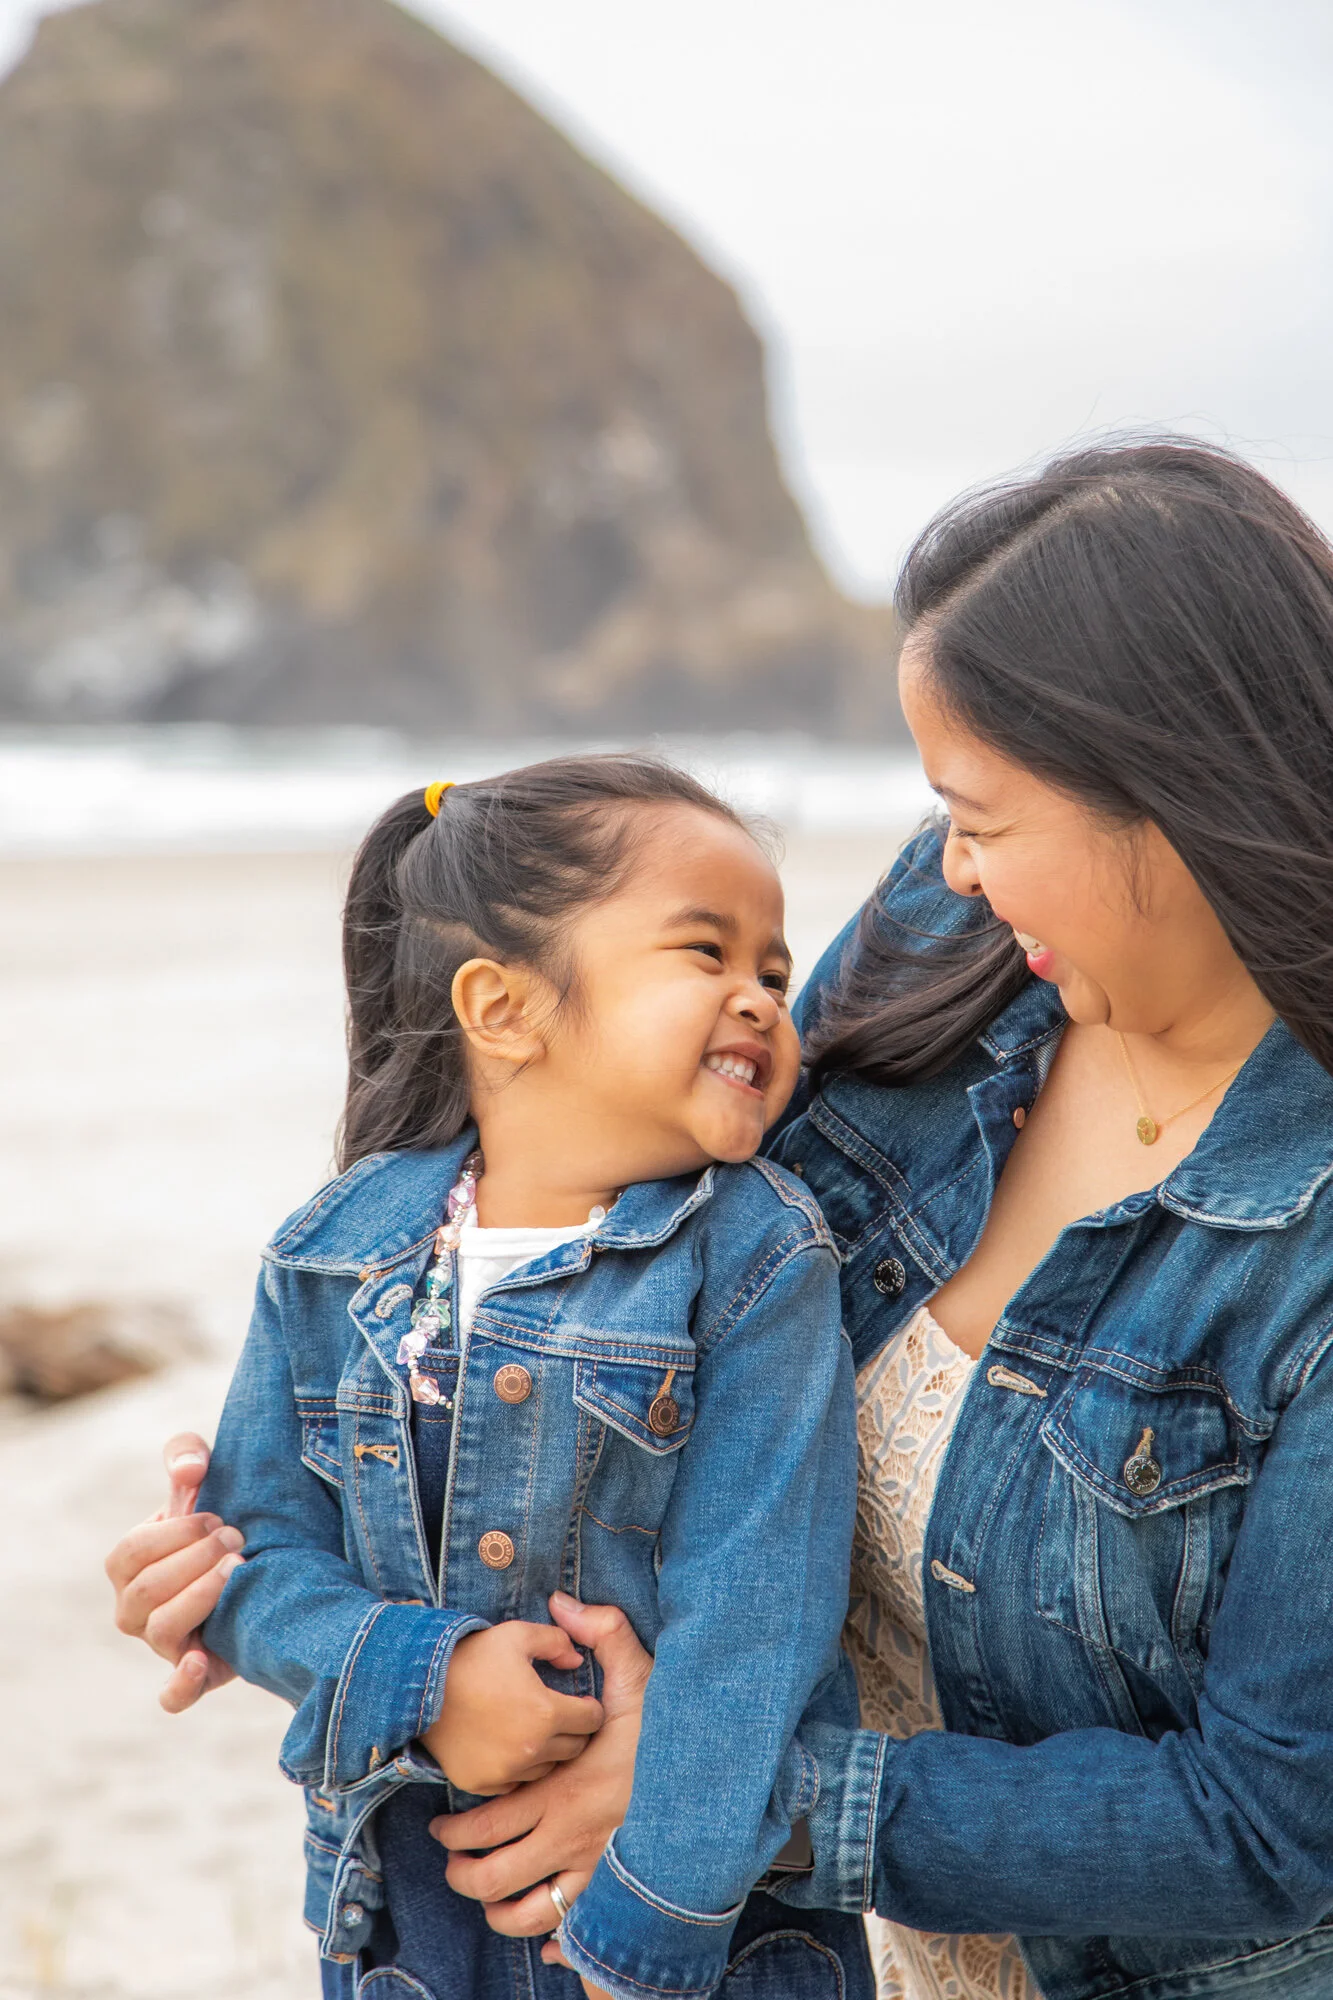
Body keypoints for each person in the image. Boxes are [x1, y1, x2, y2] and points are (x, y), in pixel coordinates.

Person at [111, 436, 1333, 2000]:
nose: (945, 859)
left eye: (980, 811)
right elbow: (618, 1229)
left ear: (1164, 792)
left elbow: (1276, 1817)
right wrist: (296, 1566)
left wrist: (729, 1800)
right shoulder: (956, 942)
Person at [107, 754, 872, 2000]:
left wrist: (651, 1934)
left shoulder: (758, 1256)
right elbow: (249, 1563)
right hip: (405, 1939)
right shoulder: (333, 1250)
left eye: (774, 971)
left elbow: (757, 1627)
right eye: (705, 954)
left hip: (693, 1946)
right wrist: (430, 1677)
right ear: (504, 1007)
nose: (760, 999)